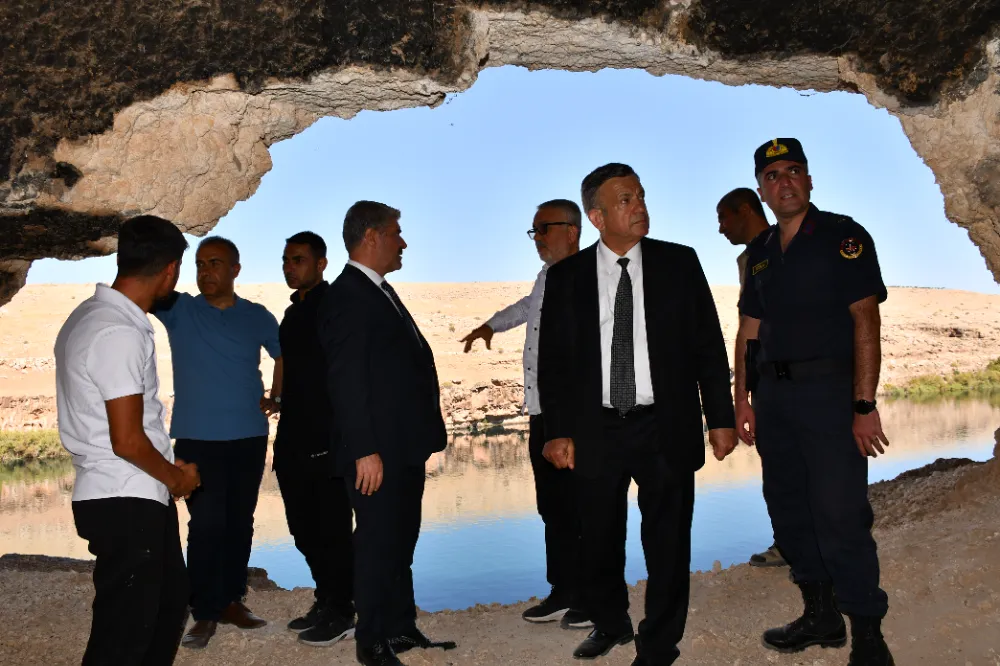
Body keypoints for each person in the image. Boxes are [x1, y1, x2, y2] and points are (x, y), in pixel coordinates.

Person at [538, 164, 737, 665]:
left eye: (641, 196)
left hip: (664, 423)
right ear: (597, 216)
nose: (640, 206)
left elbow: (708, 346)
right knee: (598, 537)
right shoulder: (567, 277)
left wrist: (721, 418)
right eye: (625, 200)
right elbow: (554, 363)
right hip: (595, 427)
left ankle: (660, 642)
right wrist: (557, 431)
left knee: (668, 540)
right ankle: (610, 622)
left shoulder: (679, 262)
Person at [735, 138, 894, 666]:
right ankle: (820, 616)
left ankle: (867, 633)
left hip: (829, 394)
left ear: (808, 180)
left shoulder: (842, 236)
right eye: (772, 176)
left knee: (840, 512)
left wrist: (863, 406)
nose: (784, 182)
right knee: (788, 509)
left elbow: (865, 320)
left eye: (793, 171)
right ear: (762, 190)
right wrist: (742, 399)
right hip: (774, 399)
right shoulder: (760, 253)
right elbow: (749, 329)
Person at [54, 215, 200, 665]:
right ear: (171, 270)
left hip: (130, 493)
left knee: (165, 606)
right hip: (124, 496)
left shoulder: (91, 316)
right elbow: (128, 440)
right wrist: (176, 478)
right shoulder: (117, 330)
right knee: (125, 634)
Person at [318, 201, 456, 666]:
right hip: (375, 452)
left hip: (401, 448)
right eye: (397, 233)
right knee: (378, 543)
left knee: (400, 540)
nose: (403, 242)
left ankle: (399, 626)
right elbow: (345, 380)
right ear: (372, 236)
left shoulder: (378, 291)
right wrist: (364, 450)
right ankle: (372, 641)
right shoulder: (348, 295)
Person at [460, 199, 589, 629]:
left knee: (582, 507)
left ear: (571, 230)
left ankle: (592, 595)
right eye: (534, 231)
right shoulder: (548, 276)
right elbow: (525, 308)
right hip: (541, 411)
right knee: (552, 505)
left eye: (543, 229)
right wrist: (490, 326)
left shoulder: (589, 276)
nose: (537, 238)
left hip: (575, 416)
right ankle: (564, 589)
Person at [152, 236, 283, 650]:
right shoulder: (180, 309)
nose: (206, 272)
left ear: (235, 270)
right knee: (207, 524)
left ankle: (231, 600)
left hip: (249, 436)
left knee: (239, 522)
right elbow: (143, 287)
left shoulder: (257, 316)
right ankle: (205, 611)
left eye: (215, 264)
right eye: (200, 265)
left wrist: (277, 396)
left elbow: (284, 354)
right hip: (197, 439)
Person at [272, 231, 356, 646]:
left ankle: (343, 610)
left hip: (326, 438)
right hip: (292, 436)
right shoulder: (293, 312)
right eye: (286, 260)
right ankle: (326, 599)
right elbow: (290, 363)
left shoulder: (333, 306)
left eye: (298, 260)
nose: (290, 267)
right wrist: (276, 397)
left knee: (332, 528)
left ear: (321, 264)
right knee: (302, 528)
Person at [716, 187, 788, 569]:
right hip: (765, 380)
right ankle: (789, 543)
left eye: (723, 218)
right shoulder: (749, 258)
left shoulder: (784, 243)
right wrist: (744, 394)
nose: (720, 229)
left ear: (744, 210)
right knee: (776, 465)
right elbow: (749, 327)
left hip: (796, 378)